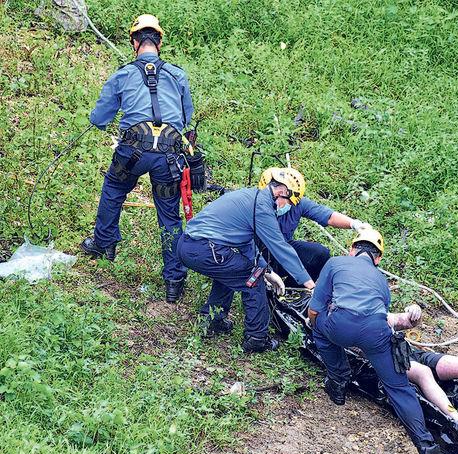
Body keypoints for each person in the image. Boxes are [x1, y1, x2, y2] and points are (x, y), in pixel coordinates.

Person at [80, 14, 194, 303]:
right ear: (159, 42)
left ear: (134, 42)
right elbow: (186, 117)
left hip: (132, 151)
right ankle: (174, 280)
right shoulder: (177, 75)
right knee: (169, 215)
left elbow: (100, 118)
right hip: (169, 154)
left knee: (114, 189)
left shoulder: (123, 74)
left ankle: (104, 244)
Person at [308, 229, 445, 454]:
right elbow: (382, 313)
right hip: (376, 331)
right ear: (378, 258)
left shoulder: (335, 263)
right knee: (399, 387)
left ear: (352, 250)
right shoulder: (381, 280)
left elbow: (315, 307)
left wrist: (318, 326)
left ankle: (338, 380)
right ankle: (426, 447)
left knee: (318, 326)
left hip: (340, 325)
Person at [176, 168, 315, 353]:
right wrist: (309, 285)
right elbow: (280, 247)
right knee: (252, 278)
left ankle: (212, 320)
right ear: (282, 191)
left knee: (230, 272)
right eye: (289, 201)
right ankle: (257, 338)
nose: (286, 206)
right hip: (204, 249)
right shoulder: (263, 208)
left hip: (190, 246)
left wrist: (268, 271)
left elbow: (245, 243)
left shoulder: (251, 196)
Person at [270, 191, 372, 285]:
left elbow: (328, 216)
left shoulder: (297, 203)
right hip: (258, 253)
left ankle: (292, 290)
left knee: (319, 254)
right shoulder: (259, 205)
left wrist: (354, 224)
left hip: (282, 250)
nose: (288, 203)